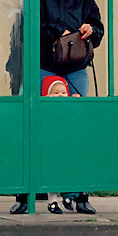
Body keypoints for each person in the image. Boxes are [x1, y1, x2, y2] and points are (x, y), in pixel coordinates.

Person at [38, 0, 104, 215]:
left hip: (75, 66)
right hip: (45, 66)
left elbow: (98, 27)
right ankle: (47, 188)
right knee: (48, 126)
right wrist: (57, 30)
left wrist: (91, 30)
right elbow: (31, 25)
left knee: (78, 127)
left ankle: (78, 193)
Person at [41, 75, 80, 214]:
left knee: (67, 172)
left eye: (63, 93)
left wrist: (74, 100)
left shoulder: (67, 108)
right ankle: (52, 201)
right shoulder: (46, 108)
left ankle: (69, 198)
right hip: (52, 149)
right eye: (55, 93)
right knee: (52, 176)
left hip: (65, 148)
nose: (60, 96)